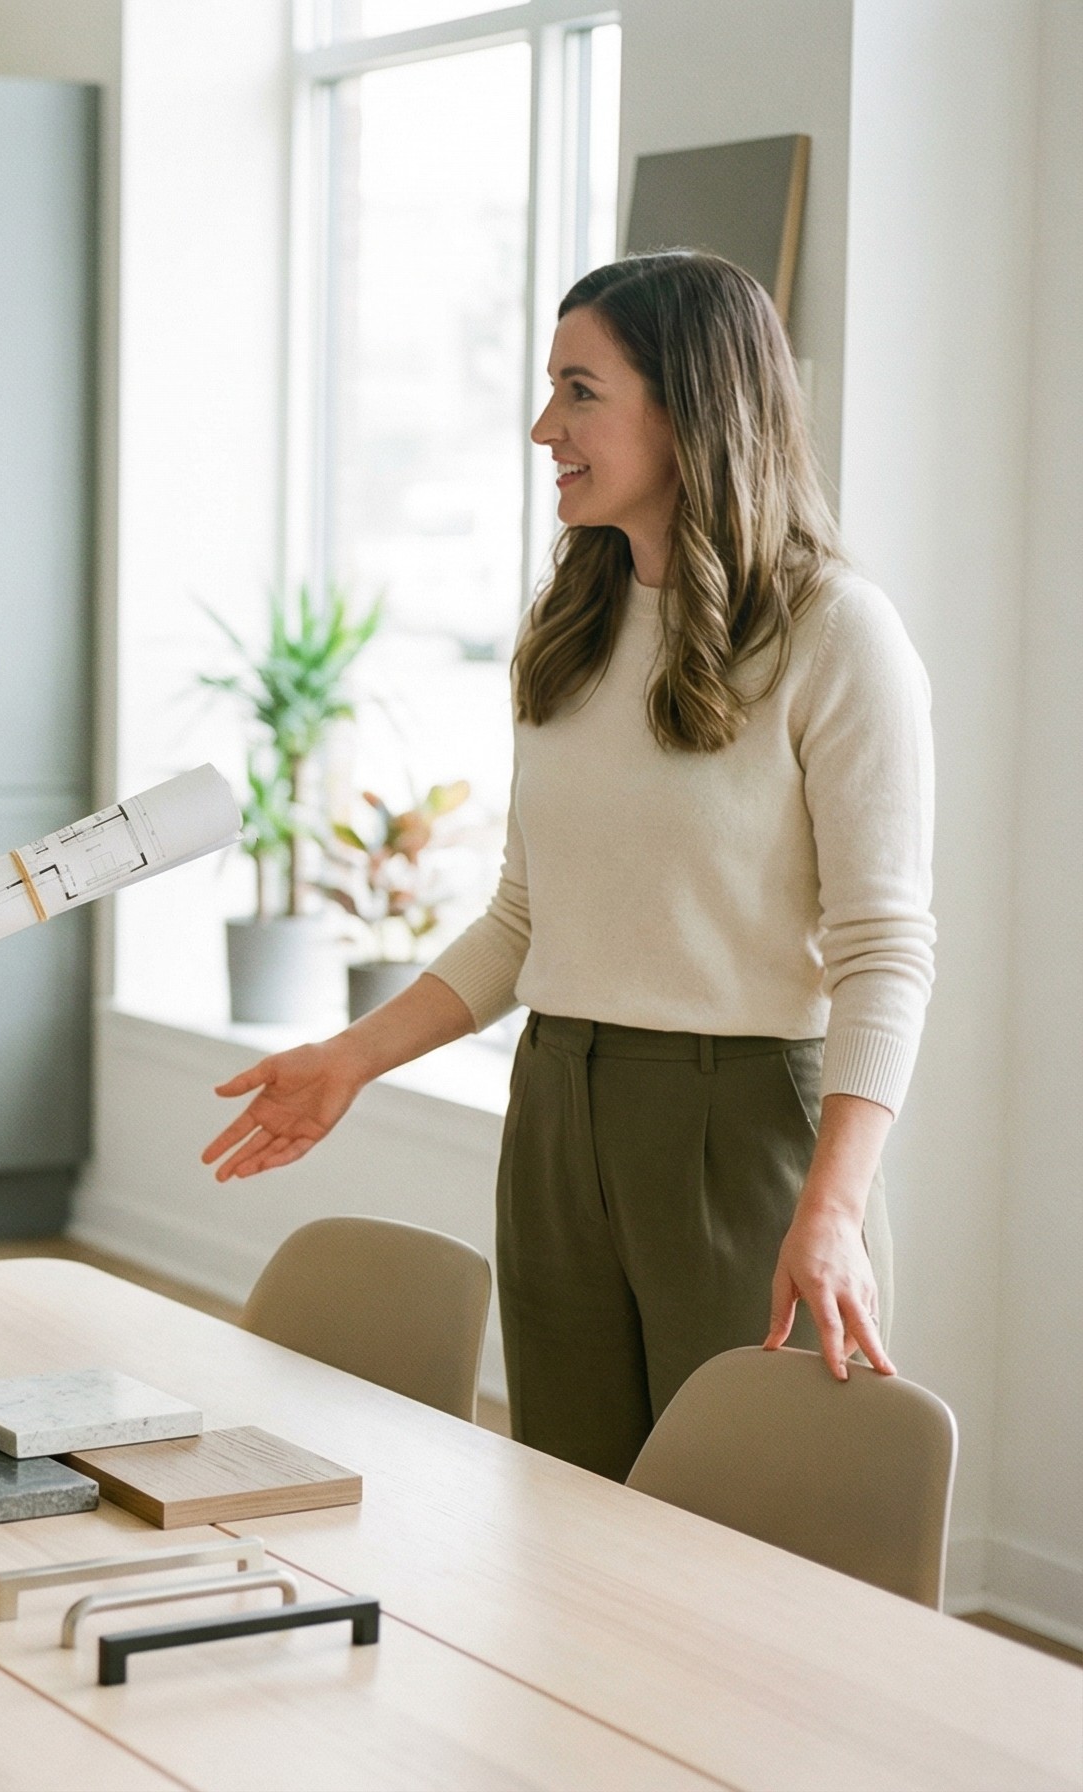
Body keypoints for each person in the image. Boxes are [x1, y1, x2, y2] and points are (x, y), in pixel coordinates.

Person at [202, 250, 935, 1481]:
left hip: (748, 1123)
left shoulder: (836, 633)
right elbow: (522, 919)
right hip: (558, 1115)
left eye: (580, 391)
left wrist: (835, 1204)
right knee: (572, 1520)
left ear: (689, 405)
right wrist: (350, 1060)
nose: (547, 428)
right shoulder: (568, 635)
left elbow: (886, 951)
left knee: (749, 1540)